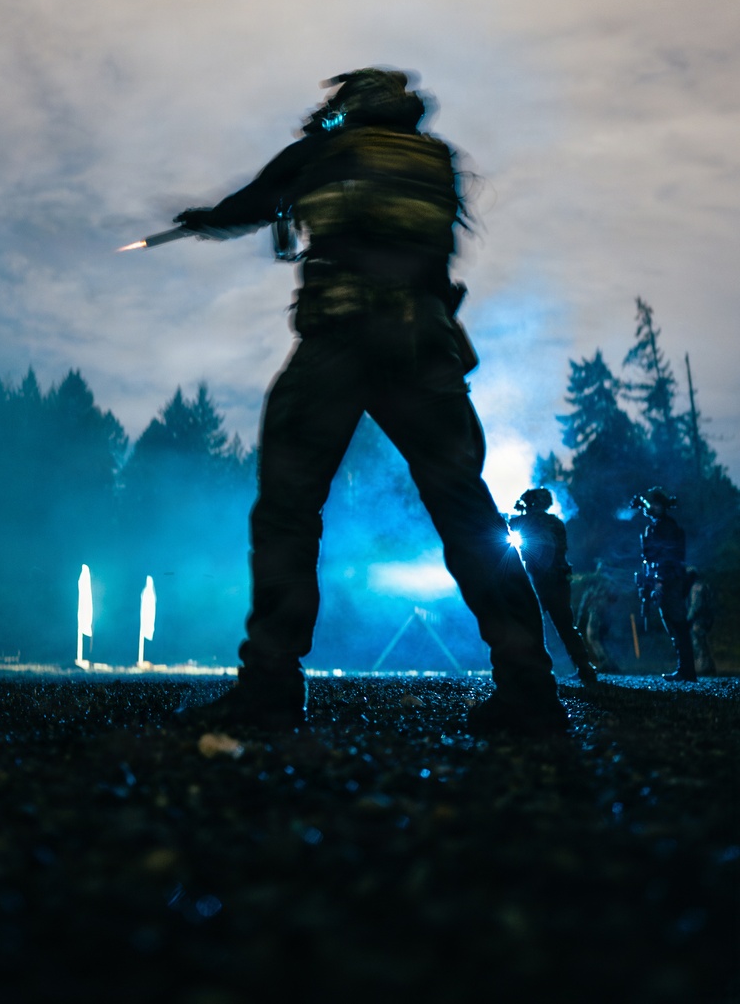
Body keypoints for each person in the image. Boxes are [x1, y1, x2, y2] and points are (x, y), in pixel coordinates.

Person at [172, 68, 565, 735]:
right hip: (426, 349)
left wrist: (205, 219)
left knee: (289, 511)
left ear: (350, 105)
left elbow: (256, 201)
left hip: (340, 342)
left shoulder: (326, 151)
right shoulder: (435, 160)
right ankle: (530, 687)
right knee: (469, 518)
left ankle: (270, 686)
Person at [507, 488, 597, 685]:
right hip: (560, 580)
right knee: (566, 626)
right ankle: (585, 669)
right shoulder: (556, 522)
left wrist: (518, 512)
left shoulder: (528, 520)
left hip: (540, 581)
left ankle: (537, 672)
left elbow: (506, 523)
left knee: (532, 626)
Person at [636, 487, 696, 682]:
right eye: (651, 504)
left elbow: (668, 556)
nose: (653, 508)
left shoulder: (667, 527)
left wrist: (660, 581)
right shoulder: (655, 526)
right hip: (663, 580)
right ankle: (684, 669)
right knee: (672, 623)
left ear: (663, 507)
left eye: (657, 504)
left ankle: (687, 670)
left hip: (670, 580)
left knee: (677, 623)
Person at [575, 561, 621, 674]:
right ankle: (611, 664)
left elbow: (586, 598)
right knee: (602, 638)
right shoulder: (611, 582)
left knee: (593, 637)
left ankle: (605, 662)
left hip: (596, 610)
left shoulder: (596, 580)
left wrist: (579, 619)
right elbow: (615, 597)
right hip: (608, 613)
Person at [686, 569, 716, 677]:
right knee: (703, 643)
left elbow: (696, 606)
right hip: (706, 619)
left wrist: (688, 619)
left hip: (699, 621)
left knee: (699, 644)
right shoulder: (705, 586)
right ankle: (707, 666)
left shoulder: (696, 588)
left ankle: (704, 667)